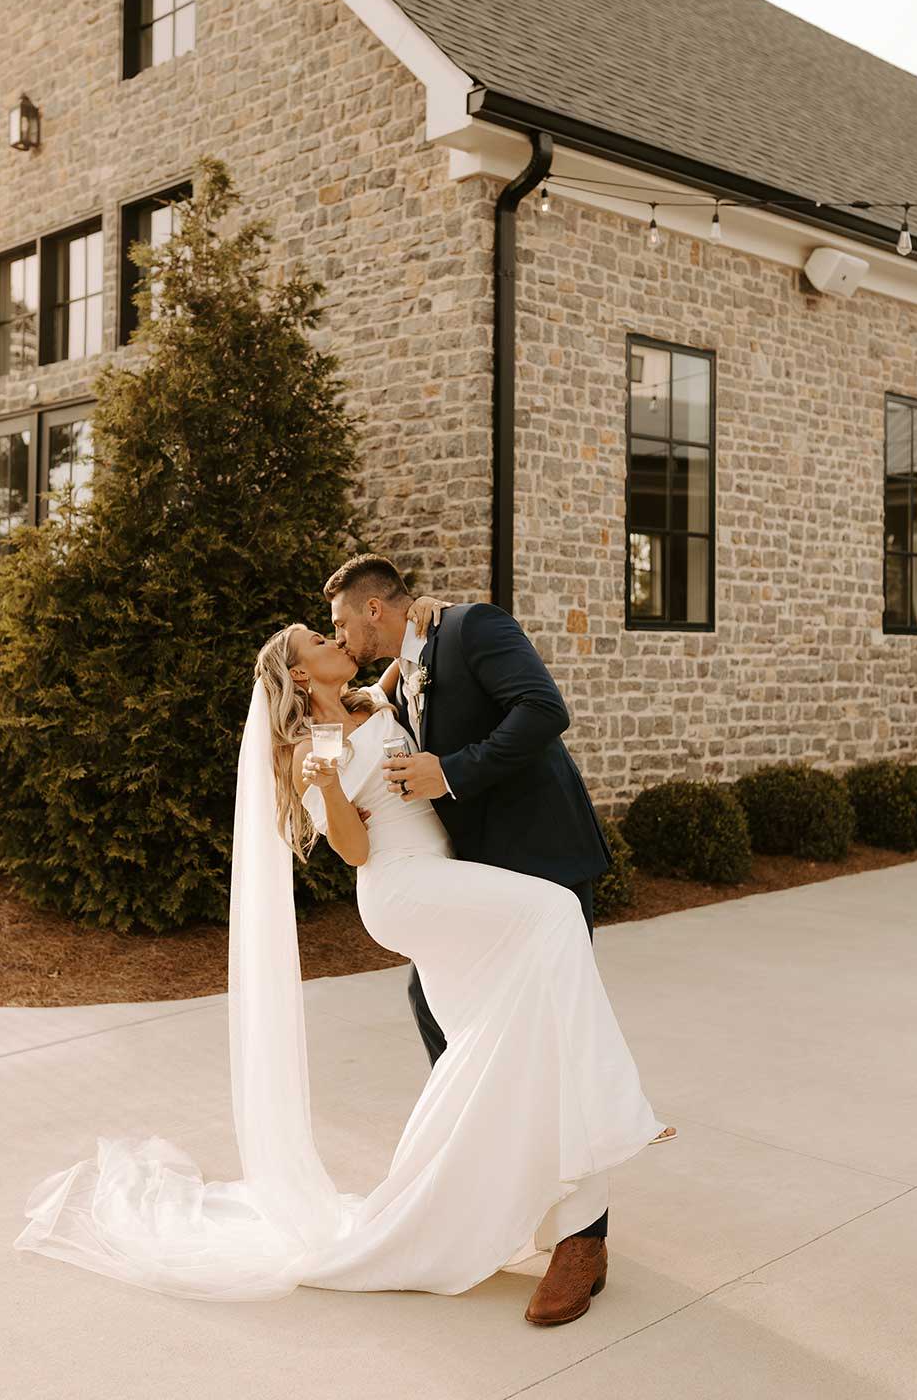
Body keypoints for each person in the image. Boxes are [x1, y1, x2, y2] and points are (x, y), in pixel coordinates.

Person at [13, 576, 670, 1321]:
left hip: (450, 879)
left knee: (491, 1051)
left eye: (334, 627)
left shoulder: (371, 699)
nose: (335, 640)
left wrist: (424, 619)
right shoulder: (312, 745)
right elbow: (355, 851)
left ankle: (471, 1212)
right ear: (298, 674)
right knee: (553, 916)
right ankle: (619, 1113)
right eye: (319, 640)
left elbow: (416, 662)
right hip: (404, 887)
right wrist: (325, 788)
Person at [324, 554, 674, 1324]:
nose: (338, 633)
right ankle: (492, 1180)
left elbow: (542, 711)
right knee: (445, 1021)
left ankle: (583, 1240)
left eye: (342, 620)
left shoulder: (474, 625)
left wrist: (450, 772)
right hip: (479, 886)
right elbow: (389, 707)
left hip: (542, 864)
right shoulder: (400, 671)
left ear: (374, 609)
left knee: (548, 1037)